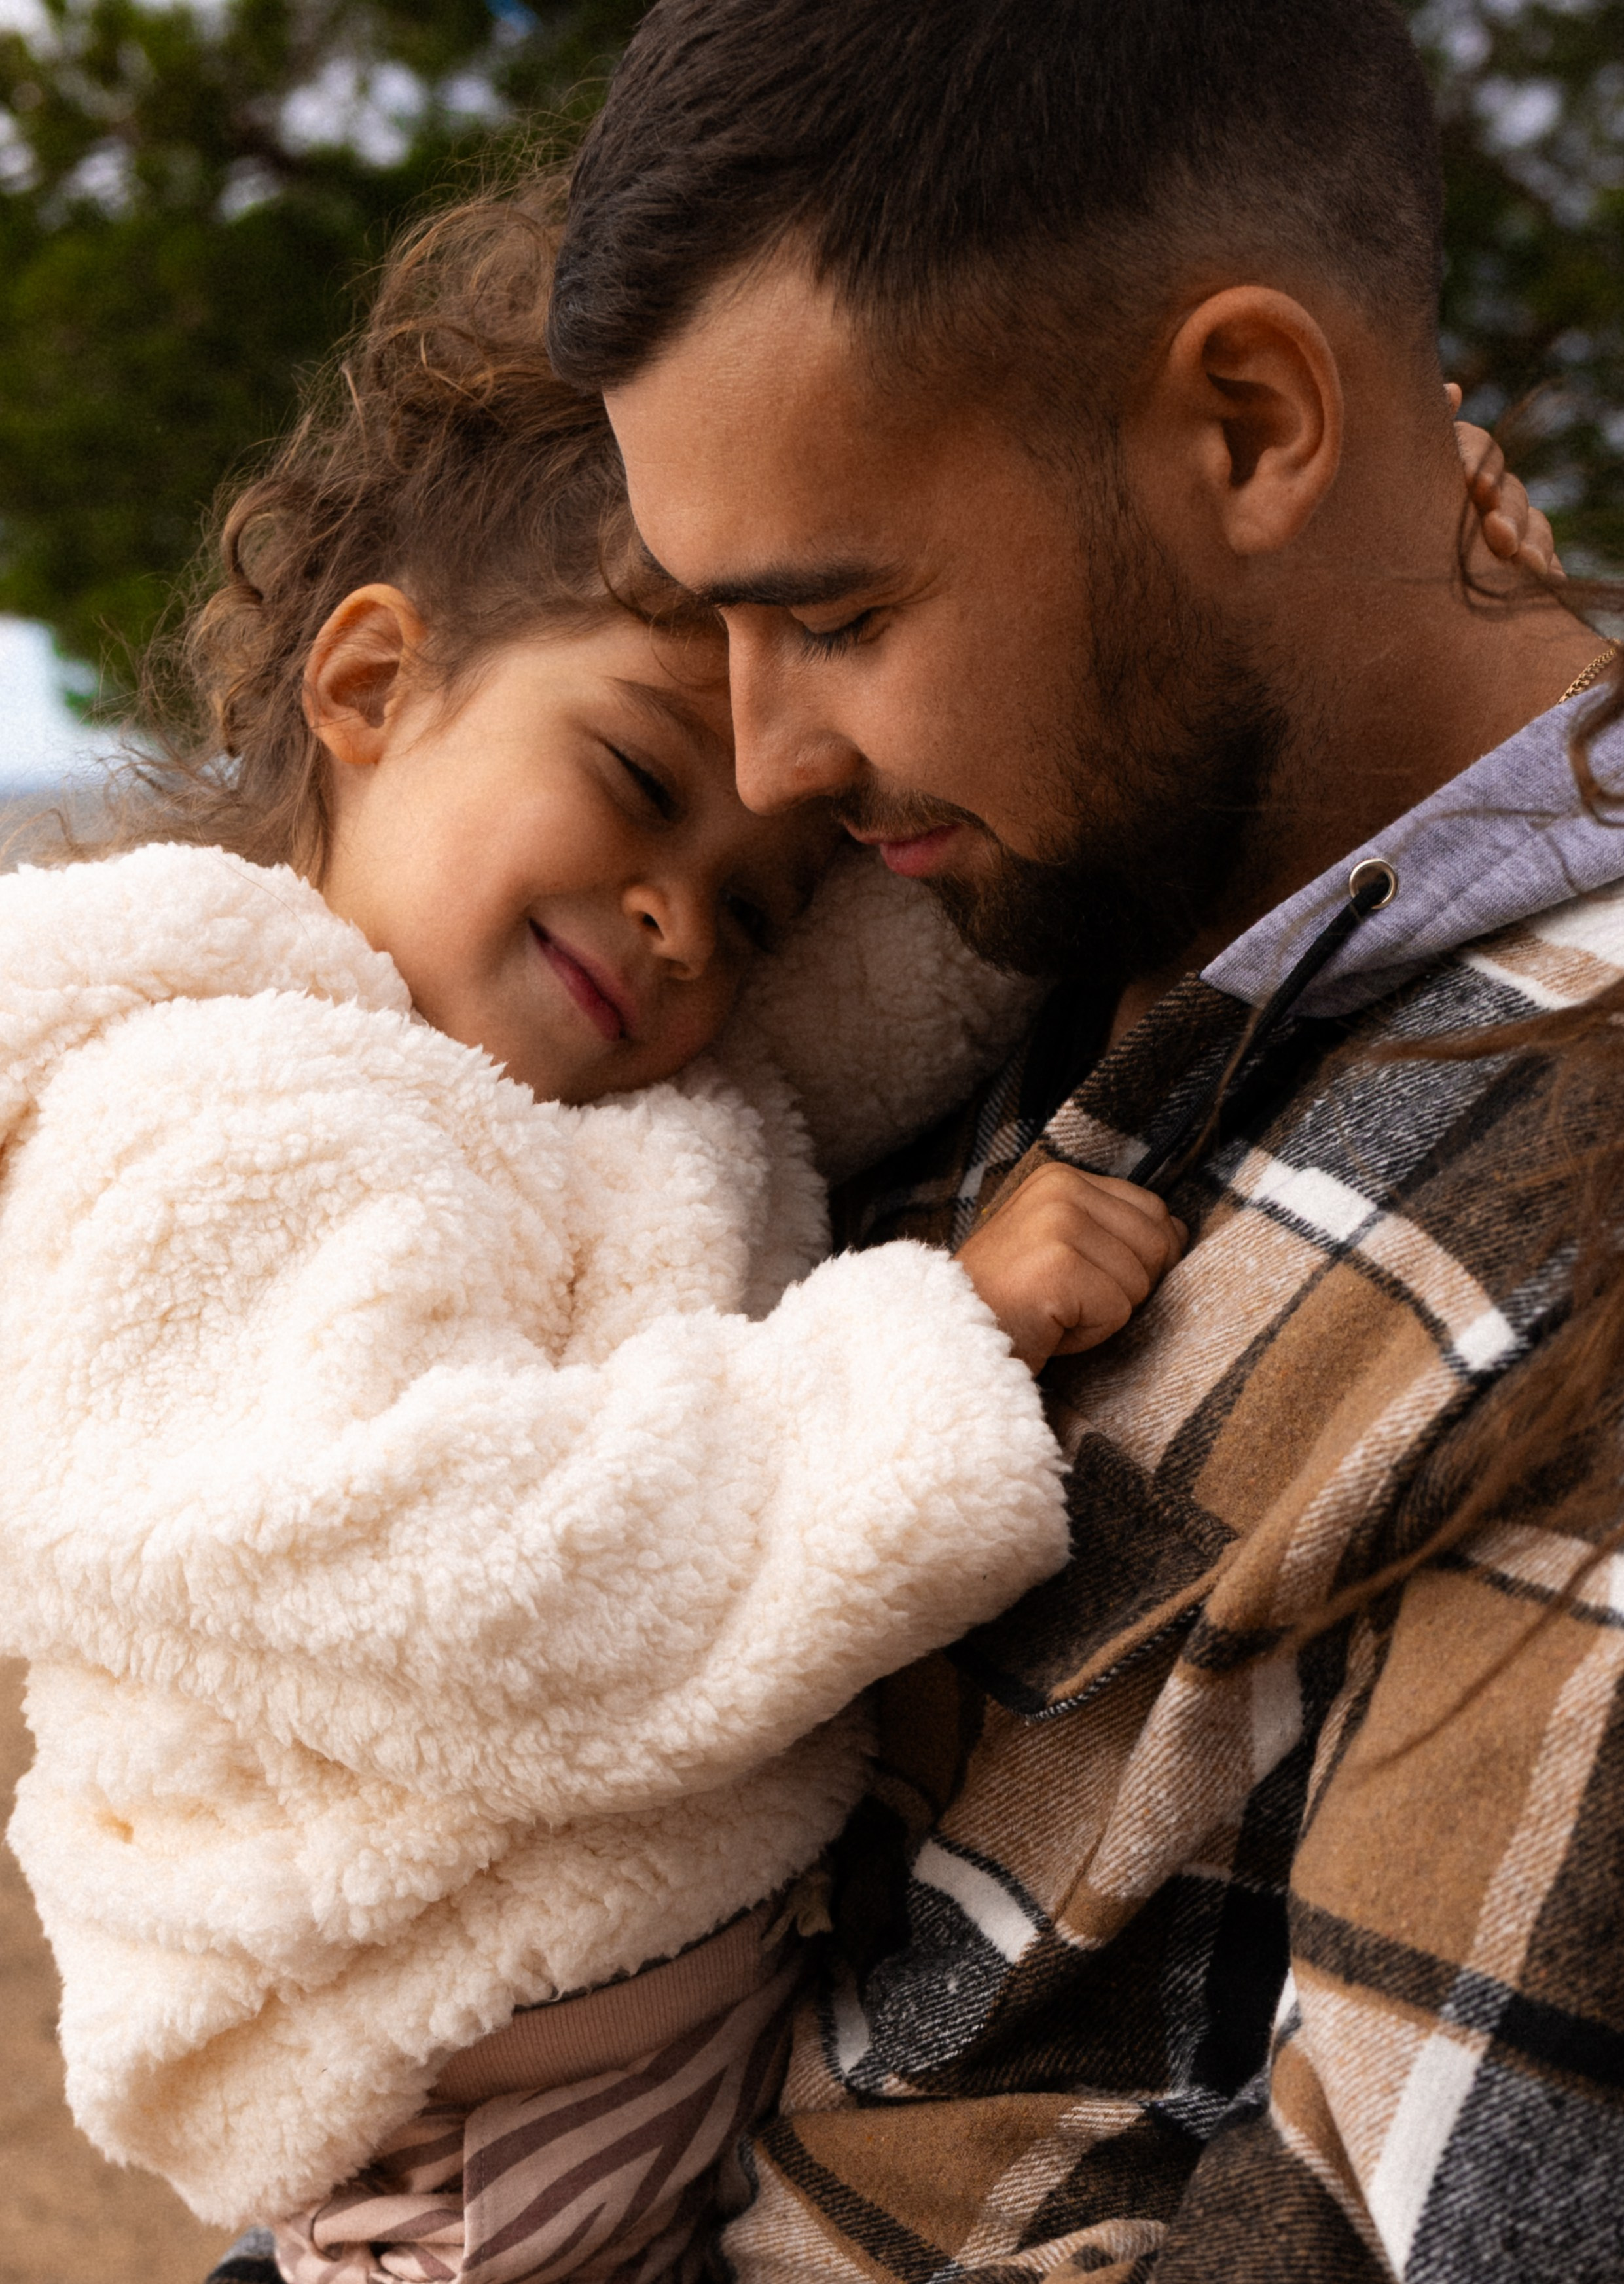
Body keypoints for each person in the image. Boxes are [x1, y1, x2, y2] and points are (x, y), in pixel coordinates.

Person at [0, 194, 1199, 2284]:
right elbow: (437, 1574)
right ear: (371, 679)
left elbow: (930, 941)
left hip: (632, 2073)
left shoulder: (588, 1093)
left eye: (751, 900)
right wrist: (929, 1352)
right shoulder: (205, 1116)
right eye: (638, 778)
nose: (678, 918)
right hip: (461, 2145)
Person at [544, 0, 1624, 2275]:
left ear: (1246, 423)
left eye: (835, 615)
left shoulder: (1573, 1187)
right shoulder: (982, 916)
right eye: (714, 637)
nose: (767, 770)